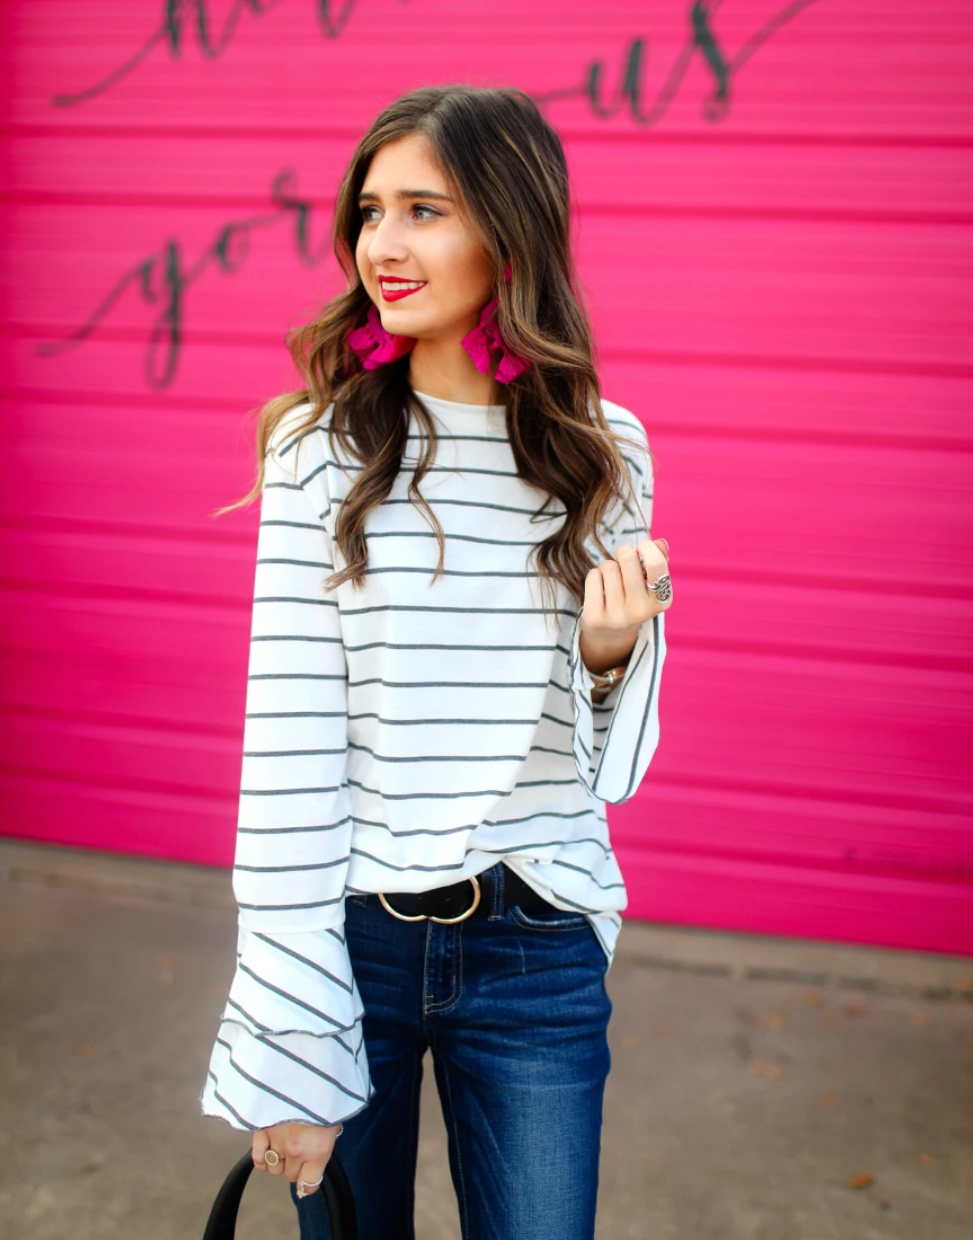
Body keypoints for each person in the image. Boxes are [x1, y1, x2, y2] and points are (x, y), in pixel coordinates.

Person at [200, 83, 673, 1240]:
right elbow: (288, 757)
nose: (382, 245)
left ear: (509, 232)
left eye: (424, 210)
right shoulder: (319, 450)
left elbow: (607, 773)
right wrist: (291, 1044)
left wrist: (607, 656)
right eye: (370, 211)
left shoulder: (602, 451)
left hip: (534, 941)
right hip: (351, 942)